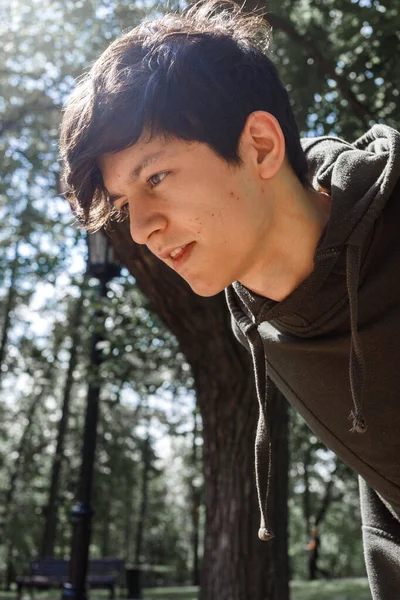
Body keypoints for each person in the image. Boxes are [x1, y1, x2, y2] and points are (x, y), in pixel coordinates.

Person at [59, 1, 400, 598]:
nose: (139, 229)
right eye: (123, 201)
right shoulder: (261, 308)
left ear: (262, 147)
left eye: (156, 177)